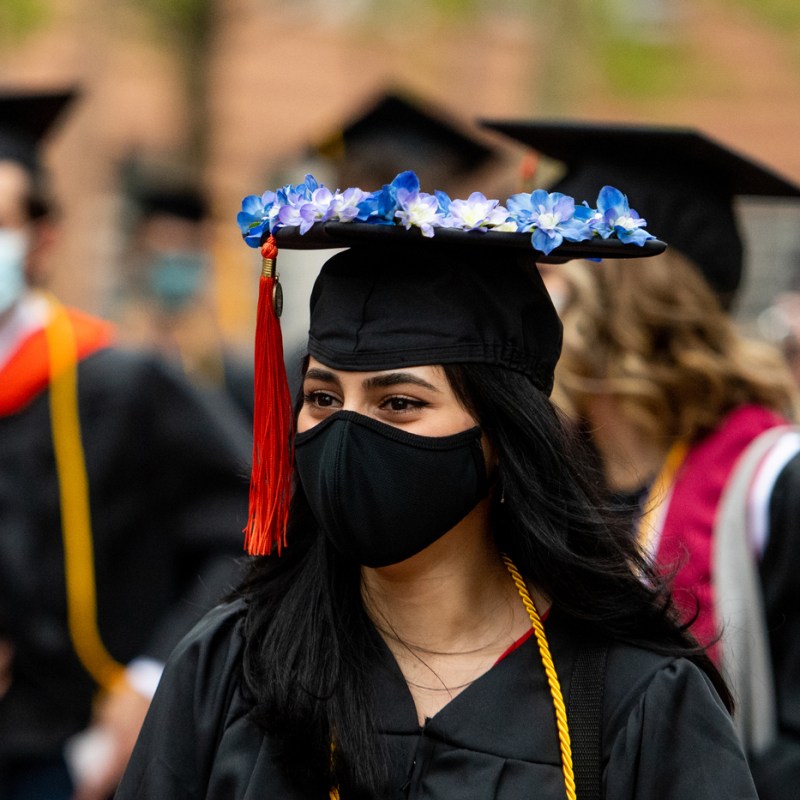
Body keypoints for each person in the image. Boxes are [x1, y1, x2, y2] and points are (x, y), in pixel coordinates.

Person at [116, 171, 758, 799]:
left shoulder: (636, 698)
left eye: (398, 403)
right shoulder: (230, 665)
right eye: (321, 397)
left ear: (502, 438)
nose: (346, 433)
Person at [477, 121, 800, 799]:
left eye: (547, 267)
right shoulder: (540, 477)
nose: (523, 294)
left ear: (631, 293)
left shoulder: (774, 482)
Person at [0, 89, 252, 799]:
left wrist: (156, 677)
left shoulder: (117, 385)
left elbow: (250, 522)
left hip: (71, 757)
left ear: (44, 241)